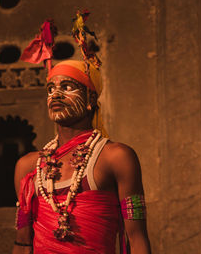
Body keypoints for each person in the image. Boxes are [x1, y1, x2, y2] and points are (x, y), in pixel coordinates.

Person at [12, 60, 151, 254]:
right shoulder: (28, 166)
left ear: (91, 99)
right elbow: (22, 243)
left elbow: (137, 239)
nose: (56, 96)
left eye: (67, 87)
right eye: (51, 89)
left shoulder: (117, 158)